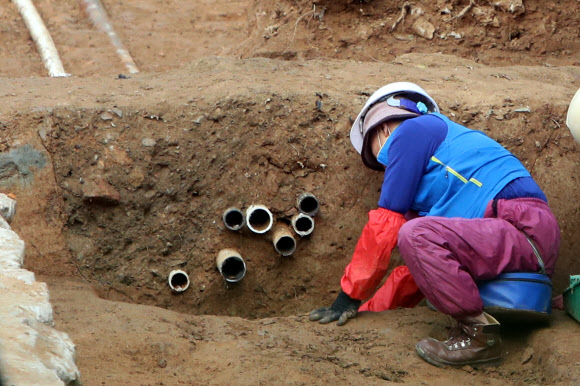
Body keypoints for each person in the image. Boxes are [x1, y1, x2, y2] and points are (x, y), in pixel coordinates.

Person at [309, 82, 561, 367]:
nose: (386, 170)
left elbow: (388, 225)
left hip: (521, 229)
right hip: (523, 242)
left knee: (414, 233)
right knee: (417, 238)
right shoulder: (442, 179)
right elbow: (422, 271)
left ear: (382, 129)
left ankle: (479, 337)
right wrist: (365, 313)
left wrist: (348, 297)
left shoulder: (412, 131)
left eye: (380, 160)